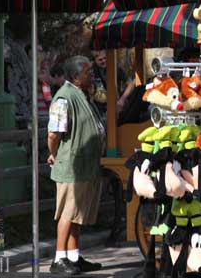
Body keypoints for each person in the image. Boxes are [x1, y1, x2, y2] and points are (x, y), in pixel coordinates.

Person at [47, 56, 105, 275]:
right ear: (75, 77)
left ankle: (73, 257)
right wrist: (54, 155)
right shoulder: (64, 97)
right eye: (87, 72)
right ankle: (59, 259)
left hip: (83, 165)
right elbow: (54, 134)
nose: (91, 75)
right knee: (67, 213)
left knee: (77, 214)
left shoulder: (81, 94)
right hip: (71, 165)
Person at [90, 49, 135, 117]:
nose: (104, 61)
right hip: (99, 108)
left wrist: (122, 99)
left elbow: (130, 84)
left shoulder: (115, 66)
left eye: (105, 58)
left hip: (115, 104)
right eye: (100, 60)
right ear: (95, 60)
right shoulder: (91, 70)